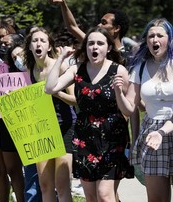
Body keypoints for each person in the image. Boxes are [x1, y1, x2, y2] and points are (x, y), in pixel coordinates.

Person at [45, 26, 134, 202]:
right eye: (90, 43)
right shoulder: (77, 69)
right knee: (91, 197)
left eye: (100, 43)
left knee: (104, 195)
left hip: (112, 137)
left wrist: (119, 92)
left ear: (108, 48)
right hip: (85, 136)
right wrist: (61, 58)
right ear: (85, 47)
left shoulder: (119, 71)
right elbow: (50, 88)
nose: (95, 47)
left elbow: (129, 110)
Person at [113, 18, 173, 202]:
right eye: (151, 36)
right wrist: (118, 92)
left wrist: (162, 131)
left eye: (159, 35)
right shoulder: (139, 68)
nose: (155, 40)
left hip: (167, 128)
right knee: (156, 199)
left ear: (169, 39)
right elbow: (130, 107)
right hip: (152, 134)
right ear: (146, 41)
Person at [23, 27, 76, 202]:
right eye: (35, 41)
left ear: (49, 46)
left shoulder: (60, 65)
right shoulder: (30, 69)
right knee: (45, 185)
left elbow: (76, 99)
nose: (38, 44)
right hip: (42, 129)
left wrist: (55, 92)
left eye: (43, 41)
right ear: (30, 46)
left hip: (64, 127)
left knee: (61, 186)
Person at [0, 33, 25, 202]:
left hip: (12, 123)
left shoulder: (23, 69)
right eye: (1, 44)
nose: (4, 47)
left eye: (7, 44)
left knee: (13, 170)